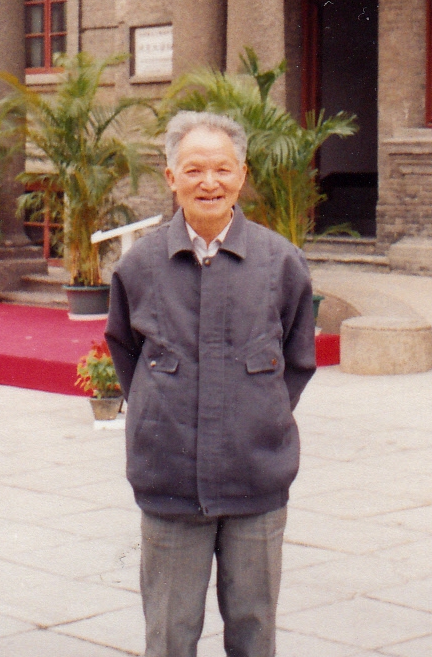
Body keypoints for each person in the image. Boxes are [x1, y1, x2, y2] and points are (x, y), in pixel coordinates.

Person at [105, 110, 317, 657]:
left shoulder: (281, 262)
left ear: (241, 175)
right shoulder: (140, 266)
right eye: (194, 169)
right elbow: (127, 356)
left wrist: (259, 413)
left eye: (222, 169)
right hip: (169, 481)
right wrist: (162, 410)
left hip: (256, 479)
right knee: (169, 635)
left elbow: (296, 361)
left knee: (253, 631)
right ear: (171, 177)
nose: (209, 182)